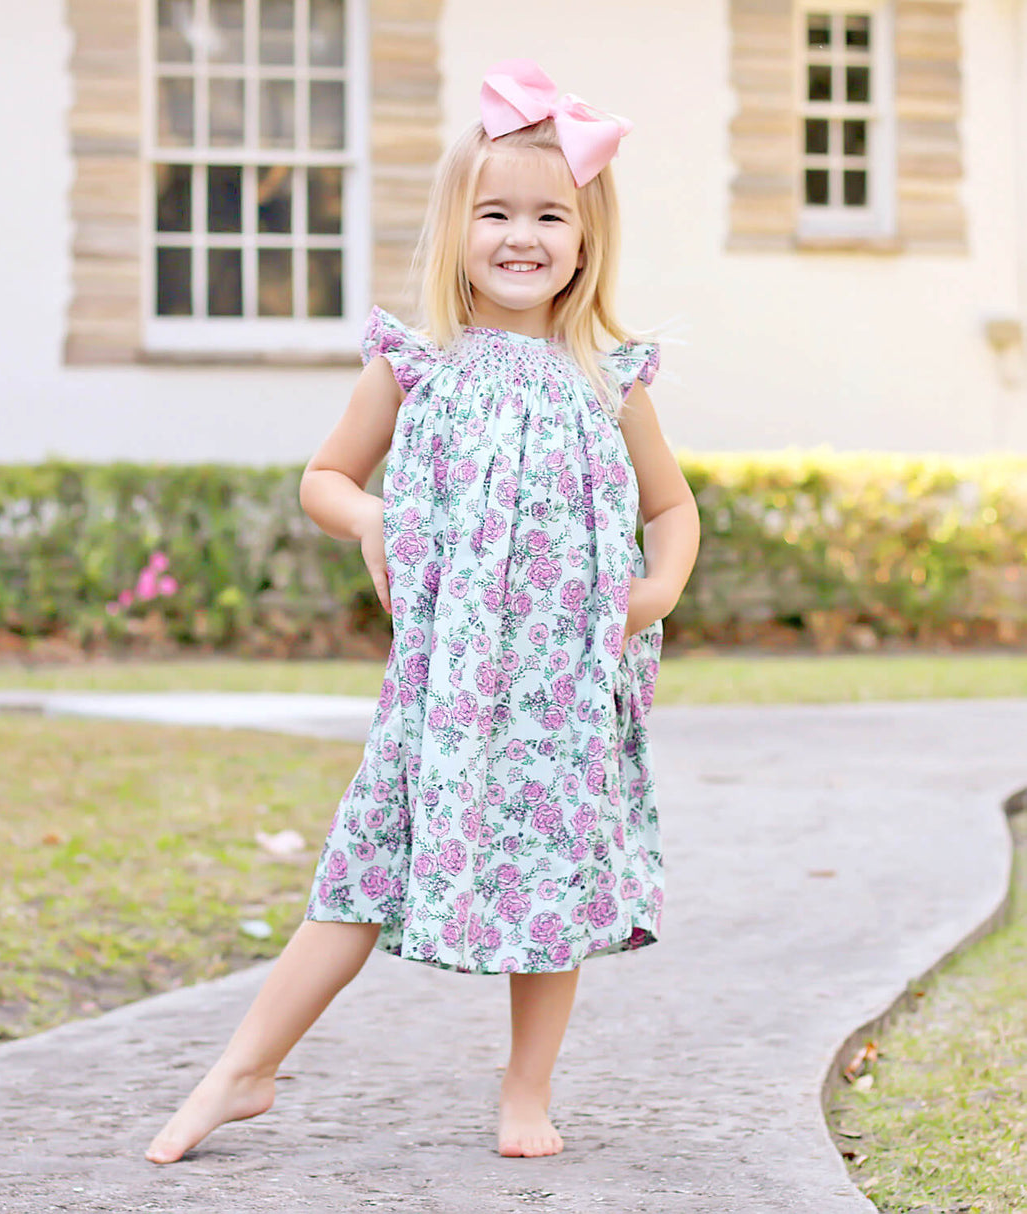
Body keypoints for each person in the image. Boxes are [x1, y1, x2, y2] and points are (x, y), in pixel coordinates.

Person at [146, 57, 700, 1164]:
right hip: (445, 683)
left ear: (585, 239)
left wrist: (655, 591)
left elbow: (672, 506)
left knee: (551, 882)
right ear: (456, 228)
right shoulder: (417, 365)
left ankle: (525, 1090)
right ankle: (243, 1069)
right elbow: (325, 478)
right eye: (495, 213)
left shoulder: (609, 379)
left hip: (565, 685)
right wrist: (368, 519)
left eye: (549, 215)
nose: (520, 236)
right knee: (362, 863)